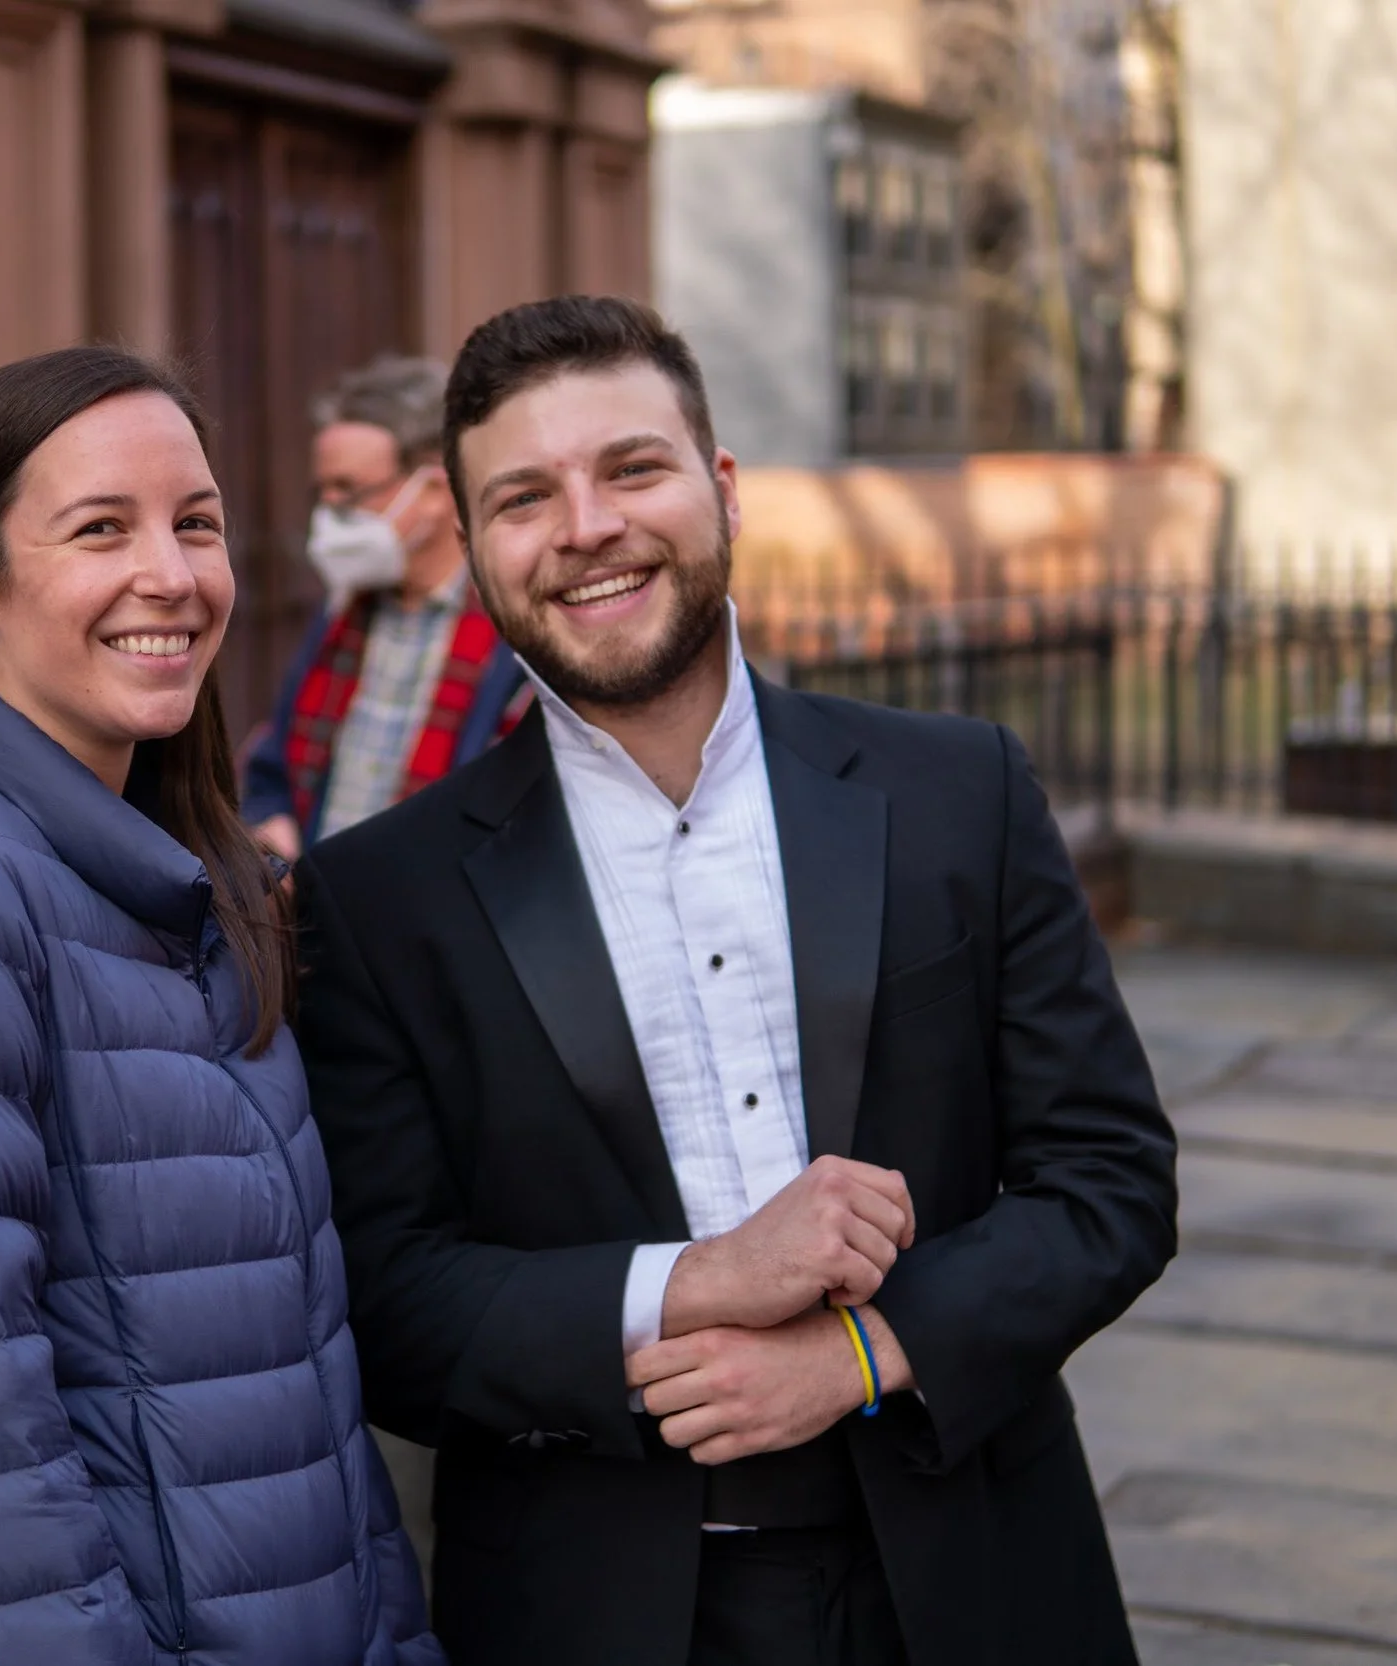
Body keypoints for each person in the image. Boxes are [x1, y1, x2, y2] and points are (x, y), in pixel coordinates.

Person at [294, 297, 1177, 1666]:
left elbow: (1111, 1180)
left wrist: (863, 1353)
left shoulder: (957, 791)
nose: (586, 525)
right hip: (595, 1610)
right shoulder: (377, 896)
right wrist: (695, 1281)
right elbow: (394, 1304)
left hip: (977, 1577)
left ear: (721, 489)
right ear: (472, 549)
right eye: (525, 497)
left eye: (632, 468)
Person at [0, 346, 438, 1666]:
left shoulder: (206, 887)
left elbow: (302, 1378)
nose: (174, 574)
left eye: (195, 521)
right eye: (100, 529)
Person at [243, 355, 526, 861]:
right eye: (323, 490)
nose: (328, 512)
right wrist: (272, 827)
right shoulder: (339, 614)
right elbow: (274, 767)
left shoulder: (516, 634)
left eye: (349, 491)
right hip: (319, 917)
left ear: (435, 492)